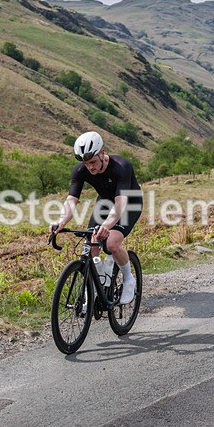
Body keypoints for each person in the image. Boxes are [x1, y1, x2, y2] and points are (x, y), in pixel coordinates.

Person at [50, 131, 143, 307]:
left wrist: (107, 225)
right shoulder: (80, 170)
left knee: (111, 244)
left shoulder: (121, 166)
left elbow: (120, 203)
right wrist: (61, 221)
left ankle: (129, 279)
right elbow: (72, 200)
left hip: (128, 203)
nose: (90, 168)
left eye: (93, 162)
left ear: (102, 153)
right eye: (86, 164)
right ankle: (94, 289)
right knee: (90, 246)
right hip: (106, 203)